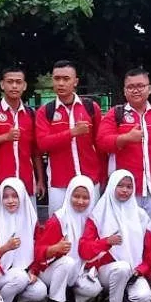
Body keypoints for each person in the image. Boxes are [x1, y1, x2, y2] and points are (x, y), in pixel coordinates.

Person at [97, 68, 151, 216]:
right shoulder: (115, 114)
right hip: (126, 192)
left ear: (149, 89)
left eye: (140, 86)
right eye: (130, 87)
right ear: (124, 91)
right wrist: (126, 138)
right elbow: (102, 142)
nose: (135, 90)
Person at [80, 169, 151, 302]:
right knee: (121, 267)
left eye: (129, 186)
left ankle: (120, 299)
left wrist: (141, 269)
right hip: (106, 270)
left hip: (133, 272)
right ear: (112, 186)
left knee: (143, 298)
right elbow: (84, 250)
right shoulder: (98, 214)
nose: (125, 190)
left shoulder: (140, 215)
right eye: (120, 185)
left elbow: (150, 250)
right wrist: (106, 242)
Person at [35, 61, 104, 217]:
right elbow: (43, 143)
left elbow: (100, 145)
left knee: (90, 227)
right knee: (59, 228)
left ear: (75, 82)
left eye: (66, 79)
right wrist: (72, 132)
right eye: (57, 79)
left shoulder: (91, 108)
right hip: (60, 182)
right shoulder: (45, 111)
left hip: (90, 180)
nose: (61, 83)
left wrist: (102, 175)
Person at [32, 175, 103, 302]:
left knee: (94, 288)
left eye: (85, 197)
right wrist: (54, 248)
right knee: (67, 262)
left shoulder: (93, 219)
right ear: (69, 194)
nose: (80, 201)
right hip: (51, 270)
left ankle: (71, 297)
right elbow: (38, 251)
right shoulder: (58, 219)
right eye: (76, 196)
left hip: (78, 271)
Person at [0, 66, 39, 210]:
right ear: (2, 85)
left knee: (29, 228)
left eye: (18, 82)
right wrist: (5, 137)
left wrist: (40, 180)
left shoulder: (31, 114)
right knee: (1, 228)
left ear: (24, 86)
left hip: (27, 182)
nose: (14, 86)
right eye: (10, 81)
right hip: (0, 182)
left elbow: (35, 151)